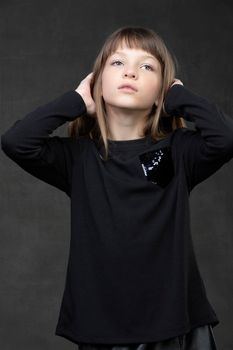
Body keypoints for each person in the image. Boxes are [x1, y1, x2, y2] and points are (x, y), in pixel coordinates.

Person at [1, 26, 233, 350]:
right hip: (102, 331)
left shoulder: (178, 152)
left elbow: (225, 138)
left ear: (160, 93)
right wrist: (77, 100)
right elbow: (16, 142)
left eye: (147, 66)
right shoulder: (80, 158)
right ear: (97, 81)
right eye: (117, 63)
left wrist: (178, 97)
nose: (130, 72)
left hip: (176, 326)